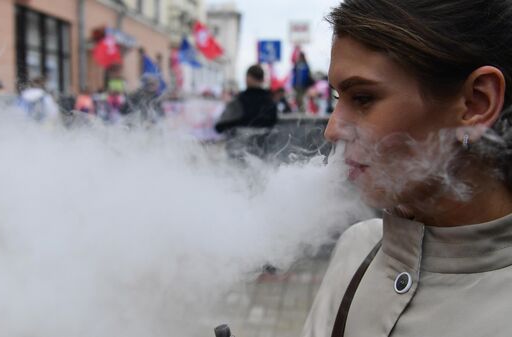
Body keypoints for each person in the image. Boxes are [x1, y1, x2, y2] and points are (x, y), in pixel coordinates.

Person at [302, 1, 512, 337]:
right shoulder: (358, 248)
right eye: (337, 98)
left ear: (476, 103)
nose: (332, 129)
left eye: (363, 98)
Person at [215, 64, 278, 133]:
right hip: (267, 142)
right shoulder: (270, 101)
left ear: (248, 78)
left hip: (241, 142)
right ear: (262, 79)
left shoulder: (239, 100)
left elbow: (219, 126)